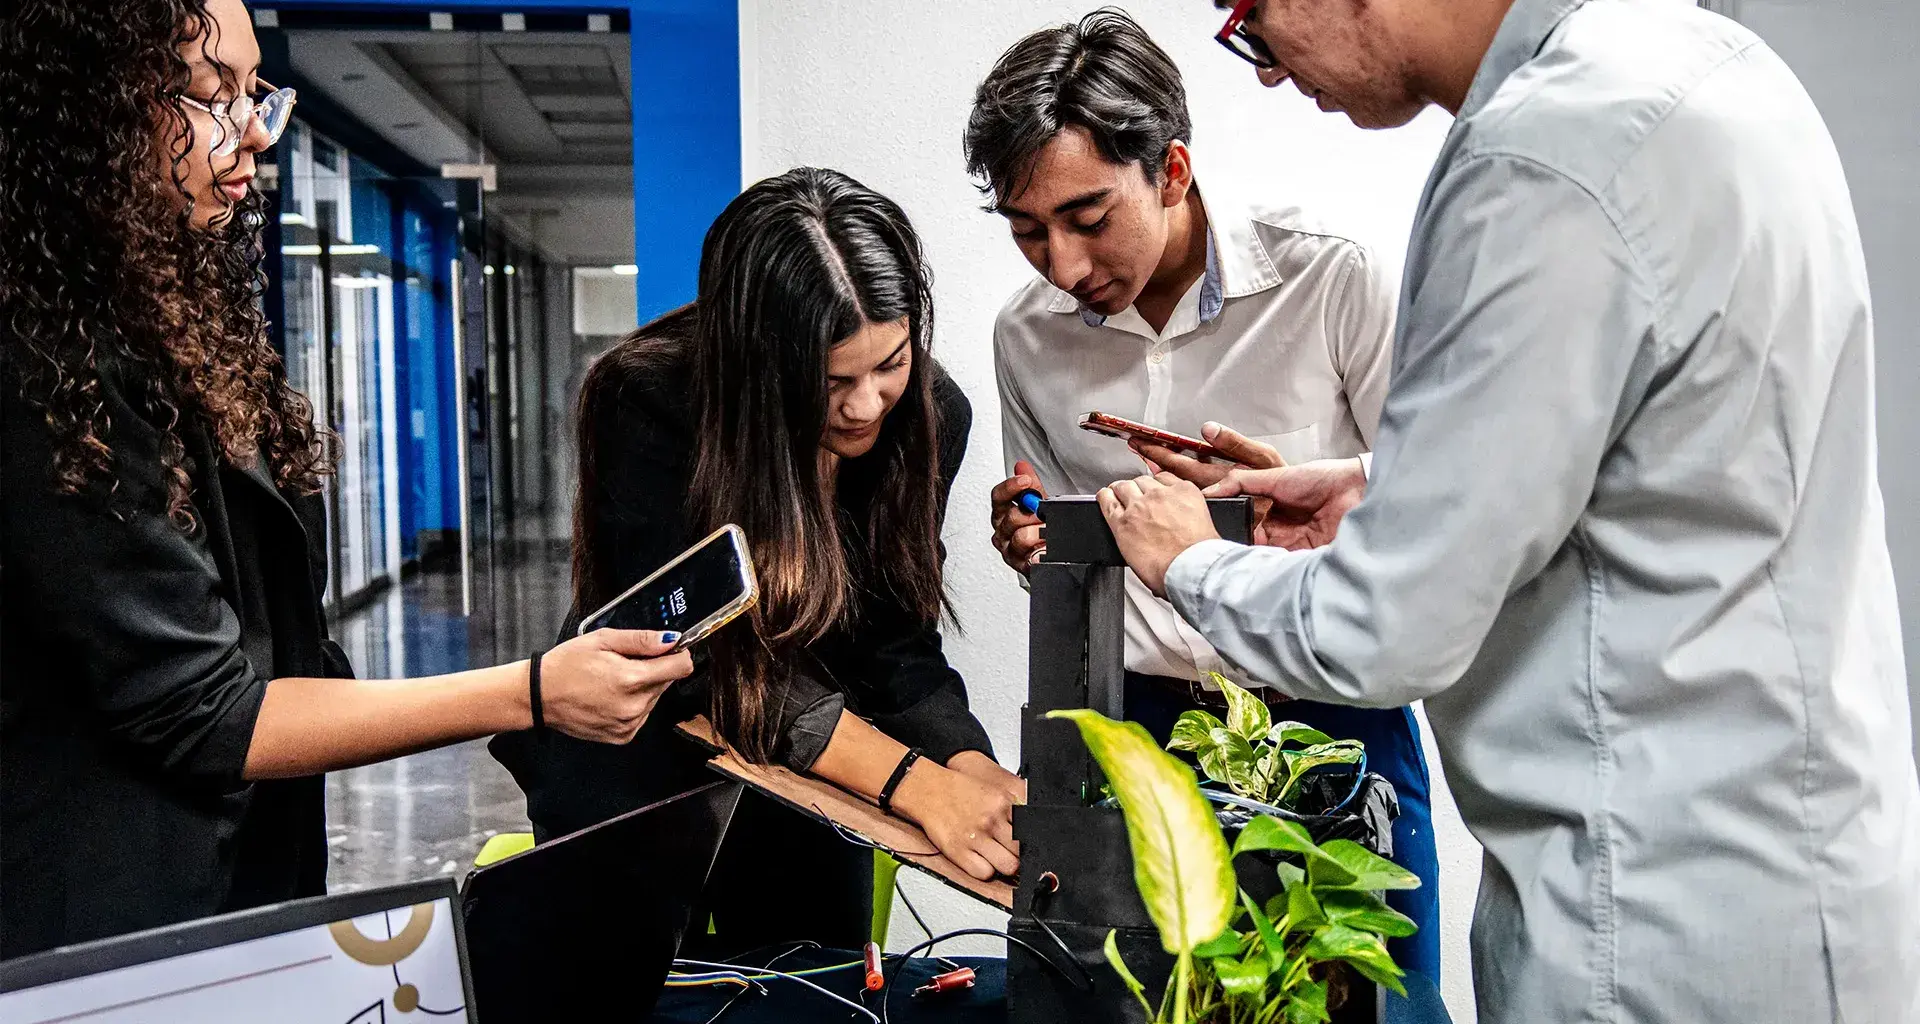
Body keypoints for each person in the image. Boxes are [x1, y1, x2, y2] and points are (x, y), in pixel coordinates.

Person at [1095, 0, 1920, 1020]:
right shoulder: (1710, 68)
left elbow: (1383, 630)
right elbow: (1677, 455)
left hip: (1648, 921)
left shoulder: (1540, 158)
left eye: (1253, 19)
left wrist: (1188, 560)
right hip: (1806, 868)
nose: (1264, 70)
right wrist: (1382, 488)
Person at [0, 0, 694, 961]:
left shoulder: (171, 320)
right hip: (107, 932)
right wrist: (534, 691)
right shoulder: (46, 366)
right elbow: (208, 710)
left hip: (237, 887)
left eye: (257, 94)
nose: (253, 134)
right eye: (212, 95)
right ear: (94, 111)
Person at [966, 10, 1439, 978]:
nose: (1063, 265)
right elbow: (1062, 573)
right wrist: (1034, 546)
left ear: (1172, 171)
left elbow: (1438, 509)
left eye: (1089, 219)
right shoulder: (1027, 339)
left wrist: (1323, 516)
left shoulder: (1333, 284)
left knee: (1367, 1004)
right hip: (1136, 741)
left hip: (1328, 727)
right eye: (1027, 233)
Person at [491, 167, 1024, 954]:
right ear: (754, 360)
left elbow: (896, 642)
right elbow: (700, 651)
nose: (868, 405)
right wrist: (914, 782)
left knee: (812, 984)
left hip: (807, 771)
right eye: (831, 380)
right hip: (642, 752)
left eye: (891, 363)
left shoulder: (931, 414)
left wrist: (967, 764)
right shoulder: (646, 399)